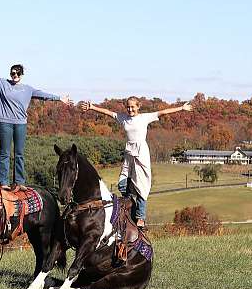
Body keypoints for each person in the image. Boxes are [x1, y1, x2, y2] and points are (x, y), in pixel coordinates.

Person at [80, 97, 193, 228]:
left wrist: (182, 108)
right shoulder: (123, 118)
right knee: (122, 184)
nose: (130, 109)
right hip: (129, 153)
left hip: (141, 153)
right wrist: (92, 107)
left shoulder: (145, 118)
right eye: (128, 107)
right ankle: (130, 207)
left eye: (133, 107)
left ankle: (140, 217)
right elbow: (107, 112)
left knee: (142, 186)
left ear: (138, 106)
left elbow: (163, 112)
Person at [0, 59, 72, 191]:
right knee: (5, 153)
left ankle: (19, 182)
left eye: (17, 74)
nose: (15, 76)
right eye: (12, 73)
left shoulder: (28, 89)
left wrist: (60, 98)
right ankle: (3, 181)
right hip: (5, 123)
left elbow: (44, 95)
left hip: (20, 124)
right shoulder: (2, 83)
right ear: (10, 74)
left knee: (19, 153)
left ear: (21, 75)